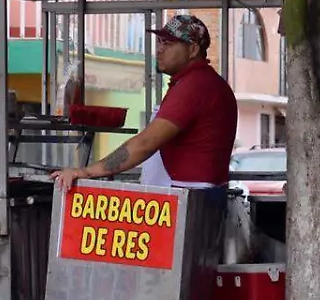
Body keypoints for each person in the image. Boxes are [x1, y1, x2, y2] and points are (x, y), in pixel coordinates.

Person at [53, 15, 238, 190]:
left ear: (193, 50)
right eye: (159, 42)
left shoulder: (195, 86)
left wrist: (86, 171)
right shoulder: (203, 82)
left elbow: (145, 144)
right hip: (200, 195)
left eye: (168, 43)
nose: (159, 49)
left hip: (193, 197)